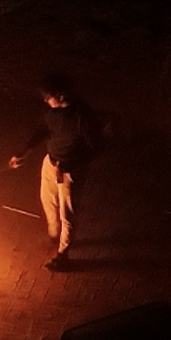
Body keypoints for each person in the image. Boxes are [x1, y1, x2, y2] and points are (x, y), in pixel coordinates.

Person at [9, 73, 102, 271]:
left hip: (70, 171)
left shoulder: (83, 117)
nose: (45, 100)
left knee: (66, 214)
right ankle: (54, 235)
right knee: (48, 202)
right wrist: (23, 152)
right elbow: (42, 131)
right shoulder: (52, 113)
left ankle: (63, 254)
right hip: (50, 164)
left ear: (60, 96)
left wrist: (70, 164)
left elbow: (97, 148)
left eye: (48, 96)